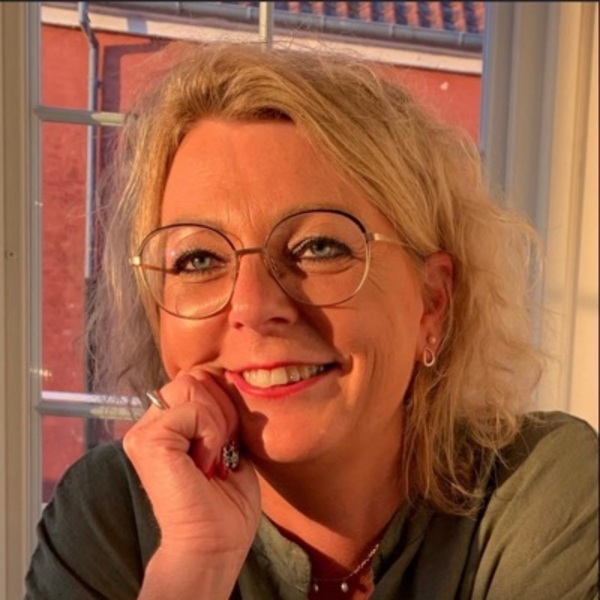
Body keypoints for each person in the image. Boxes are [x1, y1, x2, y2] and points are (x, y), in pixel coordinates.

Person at [25, 41, 597, 600]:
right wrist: (196, 561)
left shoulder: (540, 488)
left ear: (432, 301)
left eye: (319, 247)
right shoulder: (106, 518)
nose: (253, 307)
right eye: (199, 259)